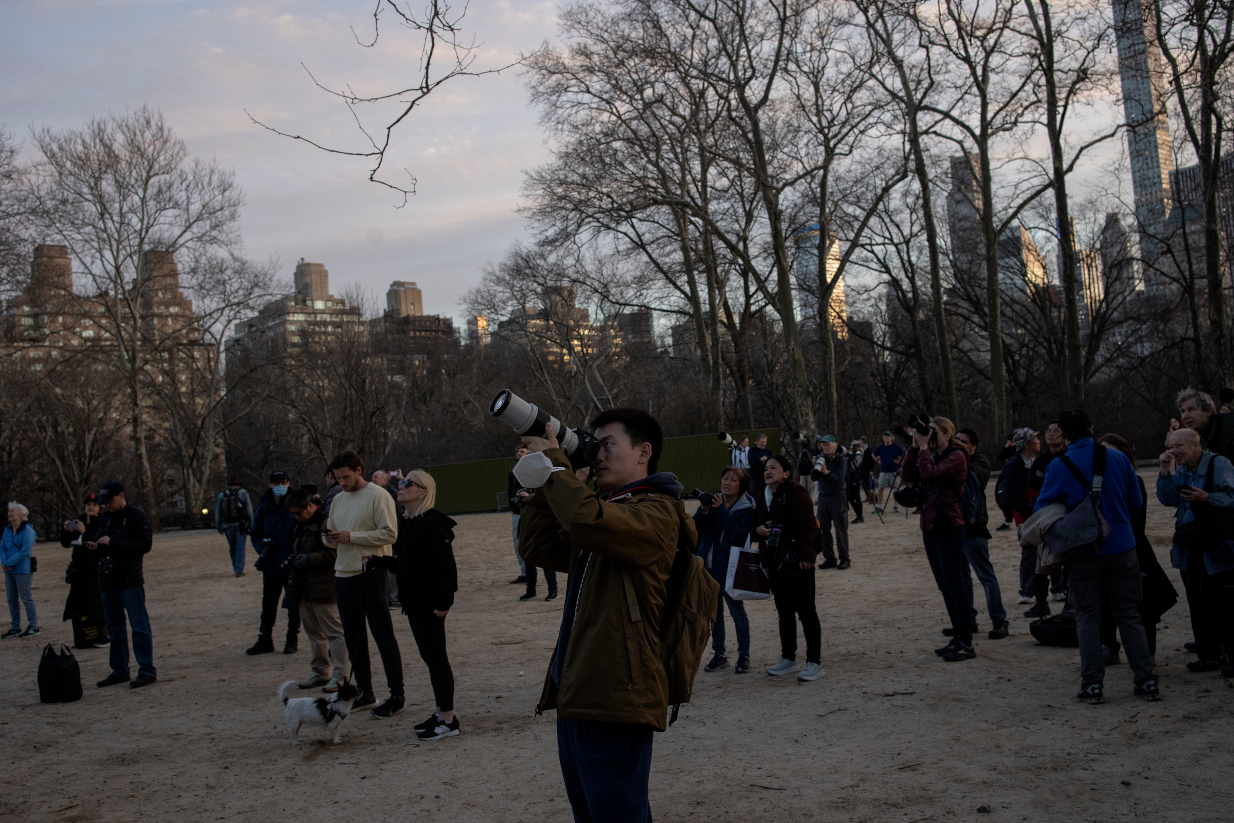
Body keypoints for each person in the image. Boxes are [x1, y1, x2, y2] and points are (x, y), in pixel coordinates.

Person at [518, 408, 687, 823]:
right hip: (578, 693)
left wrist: (556, 467)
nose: (597, 455)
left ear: (644, 452)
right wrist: (551, 483)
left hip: (616, 698)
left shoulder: (658, 512)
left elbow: (585, 518)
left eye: (607, 444)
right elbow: (536, 546)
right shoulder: (605, 513)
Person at [1037, 409, 1158, 704]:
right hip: (1123, 547)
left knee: (1087, 617)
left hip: (1084, 551)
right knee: (1129, 616)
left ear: (1063, 434)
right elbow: (1136, 501)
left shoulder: (1059, 464)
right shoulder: (1118, 458)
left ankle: (1092, 685)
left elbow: (1043, 510)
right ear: (1092, 427)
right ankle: (1146, 681)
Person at [366, 470, 462, 741]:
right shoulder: (411, 523)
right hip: (416, 603)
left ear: (423, 491)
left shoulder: (431, 523)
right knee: (431, 660)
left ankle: (448, 720)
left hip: (431, 605)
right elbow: (408, 565)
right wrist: (378, 561)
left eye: (409, 483)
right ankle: (441, 712)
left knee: (437, 660)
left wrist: (444, 602)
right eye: (402, 482)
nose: (402, 486)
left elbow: (446, 569)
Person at [324, 450, 404, 717]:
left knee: (383, 636)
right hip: (343, 575)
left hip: (371, 573)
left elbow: (389, 533)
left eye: (346, 477)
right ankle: (365, 692)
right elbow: (334, 533)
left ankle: (397, 694)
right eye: (337, 478)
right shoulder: (338, 499)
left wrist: (351, 536)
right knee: (354, 638)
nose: (342, 483)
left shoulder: (378, 495)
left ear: (359, 470)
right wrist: (330, 538)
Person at [1155, 427, 1234, 677]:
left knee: (1223, 603)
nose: (1174, 451)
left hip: (1216, 544)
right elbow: (1168, 500)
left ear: (1196, 445)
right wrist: (1165, 472)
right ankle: (1207, 655)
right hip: (1190, 546)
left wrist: (1208, 497)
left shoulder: (1219, 464)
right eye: (1170, 446)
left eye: (1179, 446)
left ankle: (1229, 655)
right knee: (1196, 600)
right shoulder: (1182, 469)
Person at [1098, 434, 1177, 663]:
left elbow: (1135, 521)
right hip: (1106, 547)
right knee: (1105, 603)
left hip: (1132, 548)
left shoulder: (1134, 480)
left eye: (1112, 452)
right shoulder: (1095, 481)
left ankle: (1146, 652)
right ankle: (1108, 646)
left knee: (1143, 606)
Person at [902, 417, 974, 662]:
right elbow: (908, 473)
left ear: (947, 434)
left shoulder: (957, 456)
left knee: (956, 585)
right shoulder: (932, 453)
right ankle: (958, 637)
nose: (929, 435)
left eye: (934, 432)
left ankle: (966, 642)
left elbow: (928, 475)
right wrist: (915, 446)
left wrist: (923, 448)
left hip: (949, 526)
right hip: (931, 526)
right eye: (927, 431)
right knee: (945, 586)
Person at [755, 454, 824, 681]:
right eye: (766, 468)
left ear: (786, 473)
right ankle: (788, 659)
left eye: (774, 468)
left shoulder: (797, 493)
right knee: (784, 612)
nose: (768, 471)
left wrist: (808, 556)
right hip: (777, 562)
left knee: (806, 611)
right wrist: (759, 530)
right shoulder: (767, 495)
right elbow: (756, 524)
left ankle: (814, 663)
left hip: (797, 562)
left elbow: (808, 527)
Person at [91, 481, 156, 688]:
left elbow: (144, 545)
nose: (107, 505)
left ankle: (146, 670)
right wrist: (97, 546)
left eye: (110, 501)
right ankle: (119, 670)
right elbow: (105, 543)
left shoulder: (137, 516)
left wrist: (112, 543)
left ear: (121, 495)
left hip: (130, 580)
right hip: (107, 580)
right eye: (105, 502)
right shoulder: (105, 518)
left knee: (139, 626)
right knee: (115, 628)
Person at [285, 487, 348, 693]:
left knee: (334, 633)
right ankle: (320, 671)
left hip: (324, 587)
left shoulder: (326, 523)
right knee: (314, 632)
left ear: (311, 505)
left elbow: (335, 555)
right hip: (305, 588)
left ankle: (340, 676)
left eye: (299, 512)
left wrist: (308, 560)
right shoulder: (300, 526)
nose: (296, 517)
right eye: (293, 513)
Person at [694, 466, 755, 674]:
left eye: (733, 480)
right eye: (725, 478)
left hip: (731, 568)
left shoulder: (746, 508)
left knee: (737, 612)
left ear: (741, 486)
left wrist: (720, 511)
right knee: (715, 614)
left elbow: (738, 536)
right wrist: (703, 511)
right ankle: (719, 654)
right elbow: (695, 530)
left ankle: (743, 656)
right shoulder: (713, 502)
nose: (727, 482)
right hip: (709, 566)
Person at [953, 429, 1008, 640]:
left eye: (963, 442)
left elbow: (971, 477)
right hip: (956, 528)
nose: (958, 445)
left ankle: (999, 620)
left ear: (973, 447)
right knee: (962, 579)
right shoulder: (953, 461)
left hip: (974, 528)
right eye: (956, 441)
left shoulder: (980, 463)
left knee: (986, 577)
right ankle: (969, 620)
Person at [246, 470, 300, 656]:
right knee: (268, 604)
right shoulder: (264, 507)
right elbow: (255, 533)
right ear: (270, 485)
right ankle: (265, 639)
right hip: (270, 564)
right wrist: (263, 549)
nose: (279, 486)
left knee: (293, 604)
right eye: (276, 483)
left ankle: (292, 638)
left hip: (290, 563)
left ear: (288, 482)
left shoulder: (295, 503)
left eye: (282, 482)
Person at [1003, 427, 1050, 616]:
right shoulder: (1014, 465)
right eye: (1036, 439)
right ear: (1027, 444)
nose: (1039, 442)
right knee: (1029, 552)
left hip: (1039, 512)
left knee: (1046, 550)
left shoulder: (1035, 461)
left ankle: (1053, 589)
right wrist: (1028, 509)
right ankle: (1025, 589)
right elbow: (1012, 493)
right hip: (1026, 516)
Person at [59, 494, 109, 648]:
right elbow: (65, 543)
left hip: (95, 568)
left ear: (99, 507)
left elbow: (100, 541)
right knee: (80, 602)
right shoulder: (78, 521)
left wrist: (84, 532)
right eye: (88, 504)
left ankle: (105, 635)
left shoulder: (102, 522)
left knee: (98, 603)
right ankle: (85, 634)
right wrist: (66, 531)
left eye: (94, 504)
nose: (90, 507)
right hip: (79, 570)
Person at [1029, 421, 1069, 603]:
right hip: (1045, 512)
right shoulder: (1041, 459)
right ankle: (1041, 600)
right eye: (1048, 430)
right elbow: (1031, 481)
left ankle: (1064, 591)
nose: (1051, 434)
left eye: (1055, 431)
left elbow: (1062, 482)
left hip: (1065, 511)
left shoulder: (1067, 456)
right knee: (1042, 555)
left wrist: (1045, 479)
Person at [811, 435, 850, 570]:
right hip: (823, 496)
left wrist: (826, 472)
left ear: (835, 446)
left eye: (828, 445)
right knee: (823, 529)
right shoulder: (821, 459)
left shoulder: (841, 460)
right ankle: (829, 558)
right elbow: (813, 477)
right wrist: (814, 465)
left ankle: (844, 558)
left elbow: (839, 480)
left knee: (840, 528)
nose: (825, 448)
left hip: (837, 495)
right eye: (823, 445)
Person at [2, 502, 39, 639]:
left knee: (26, 597)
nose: (9, 514)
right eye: (9, 511)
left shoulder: (28, 531)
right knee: (11, 599)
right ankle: (15, 627)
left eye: (12, 511)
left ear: (22, 514)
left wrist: (9, 562)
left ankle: (33, 626)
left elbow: (25, 552)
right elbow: (2, 547)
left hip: (22, 569)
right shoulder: (7, 530)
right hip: (9, 570)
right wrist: (4, 563)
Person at [1171, 387, 1234, 460]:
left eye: (1191, 409)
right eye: (1183, 411)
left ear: (1208, 411)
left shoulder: (1229, 431)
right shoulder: (1190, 438)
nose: (1185, 416)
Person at [215, 477, 253, 578]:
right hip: (241, 524)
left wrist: (219, 526)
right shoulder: (243, 493)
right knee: (240, 547)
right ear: (238, 485)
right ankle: (239, 570)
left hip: (227, 525)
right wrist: (251, 524)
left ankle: (235, 567)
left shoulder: (222, 495)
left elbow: (218, 513)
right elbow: (249, 509)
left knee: (232, 547)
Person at [508, 445, 530, 585]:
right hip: (517, 512)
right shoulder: (512, 473)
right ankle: (524, 573)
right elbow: (510, 490)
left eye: (522, 451)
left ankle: (534, 571)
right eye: (518, 451)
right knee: (518, 544)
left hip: (530, 511)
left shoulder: (532, 470)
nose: (519, 453)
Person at [872, 431, 905, 513]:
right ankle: (879, 506)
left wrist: (900, 461)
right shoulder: (881, 447)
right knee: (880, 488)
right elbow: (873, 454)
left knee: (895, 489)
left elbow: (904, 454)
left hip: (894, 471)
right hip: (884, 471)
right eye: (885, 436)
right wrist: (878, 460)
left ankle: (896, 506)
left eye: (888, 436)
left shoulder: (896, 446)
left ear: (891, 438)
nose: (886, 438)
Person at [747, 433, 773, 500]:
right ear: (757, 441)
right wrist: (760, 459)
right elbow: (751, 461)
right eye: (762, 442)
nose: (763, 444)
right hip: (755, 477)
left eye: (765, 442)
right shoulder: (752, 450)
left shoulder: (768, 451)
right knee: (754, 494)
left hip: (766, 476)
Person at [846, 440, 865, 524]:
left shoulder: (858, 454)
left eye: (853, 446)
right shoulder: (852, 454)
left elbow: (854, 466)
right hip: (851, 478)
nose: (851, 448)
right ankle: (859, 515)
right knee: (852, 498)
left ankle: (859, 516)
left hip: (855, 479)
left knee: (856, 498)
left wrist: (848, 461)